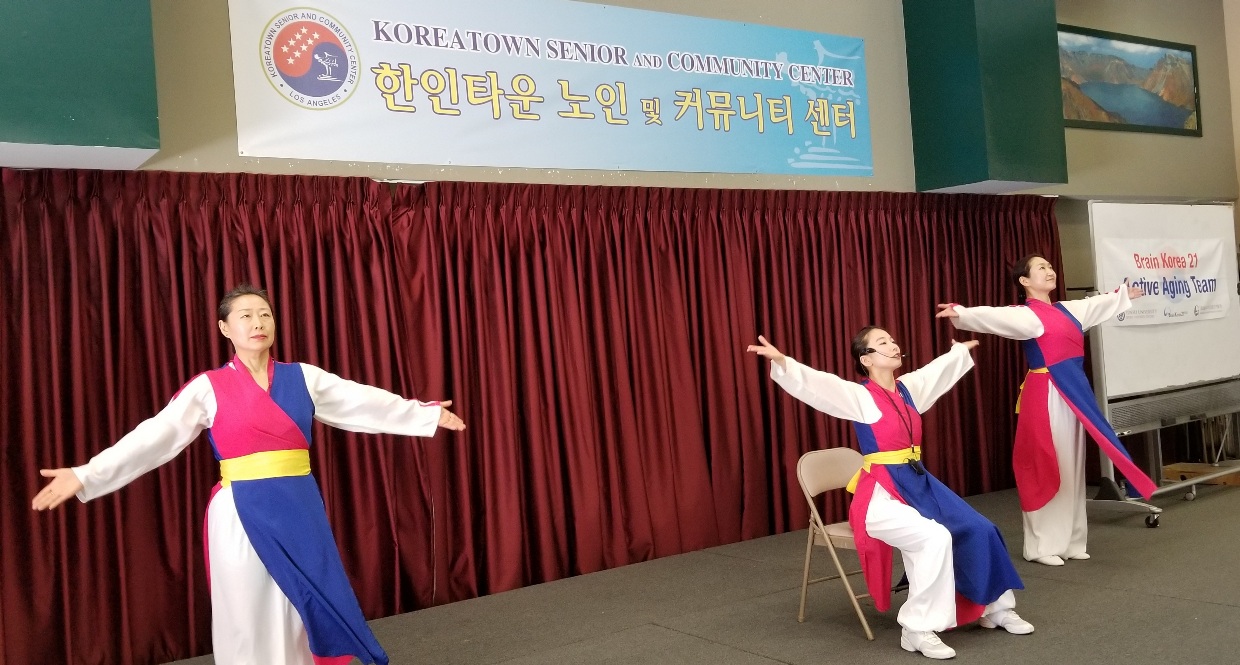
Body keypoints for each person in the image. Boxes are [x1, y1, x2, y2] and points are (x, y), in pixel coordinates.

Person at [31, 284, 465, 665]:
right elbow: (152, 437)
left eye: (265, 314)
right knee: (245, 607)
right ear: (225, 328)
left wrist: (422, 414)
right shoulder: (208, 387)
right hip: (241, 512)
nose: (258, 322)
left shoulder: (303, 378)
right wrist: (87, 474)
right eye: (245, 315)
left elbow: (362, 402)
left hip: (299, 509)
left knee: (297, 607)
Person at [748, 329, 1031, 660]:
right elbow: (821, 385)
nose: (894, 345)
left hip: (918, 483)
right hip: (879, 495)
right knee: (933, 538)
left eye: (893, 341)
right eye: (882, 342)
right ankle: (917, 629)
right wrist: (784, 362)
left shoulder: (908, 389)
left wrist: (957, 354)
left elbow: (935, 373)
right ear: (866, 360)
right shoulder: (859, 396)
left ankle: (996, 607)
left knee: (980, 528)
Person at [936, 254, 1157, 566]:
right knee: (1047, 465)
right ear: (1024, 281)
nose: (1049, 270)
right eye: (1041, 268)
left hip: (1073, 393)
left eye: (1050, 266)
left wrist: (1123, 295)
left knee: (1072, 464)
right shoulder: (1027, 315)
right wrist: (962, 313)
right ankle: (1042, 546)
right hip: (1046, 393)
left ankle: (1072, 540)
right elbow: (994, 316)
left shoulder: (1068, 309)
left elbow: (1099, 304)